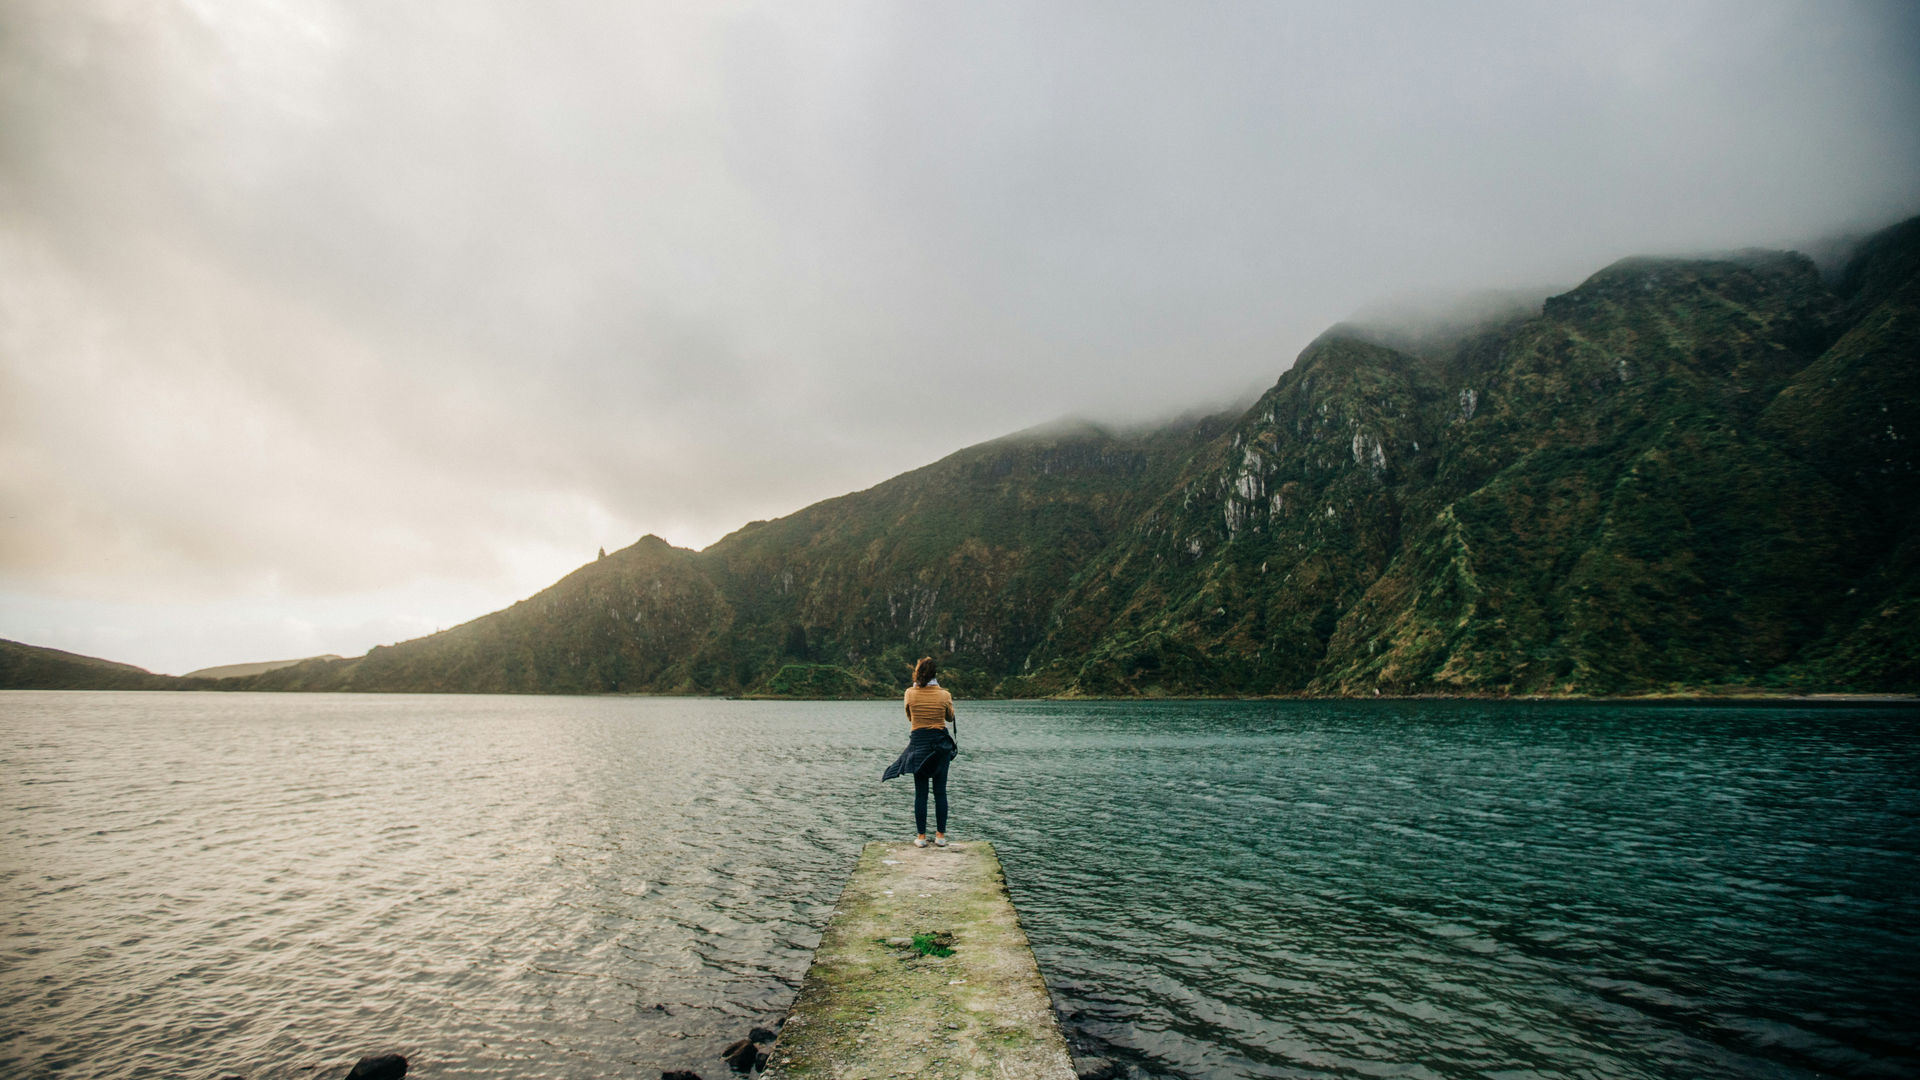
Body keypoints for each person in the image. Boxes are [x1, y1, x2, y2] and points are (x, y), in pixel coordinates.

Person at [880, 656, 956, 847]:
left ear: (918, 673)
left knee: (920, 793)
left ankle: (921, 837)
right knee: (940, 792)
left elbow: (909, 716)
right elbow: (950, 717)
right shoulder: (944, 695)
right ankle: (940, 837)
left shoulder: (909, 693)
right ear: (935, 674)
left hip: (919, 746)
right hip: (940, 748)